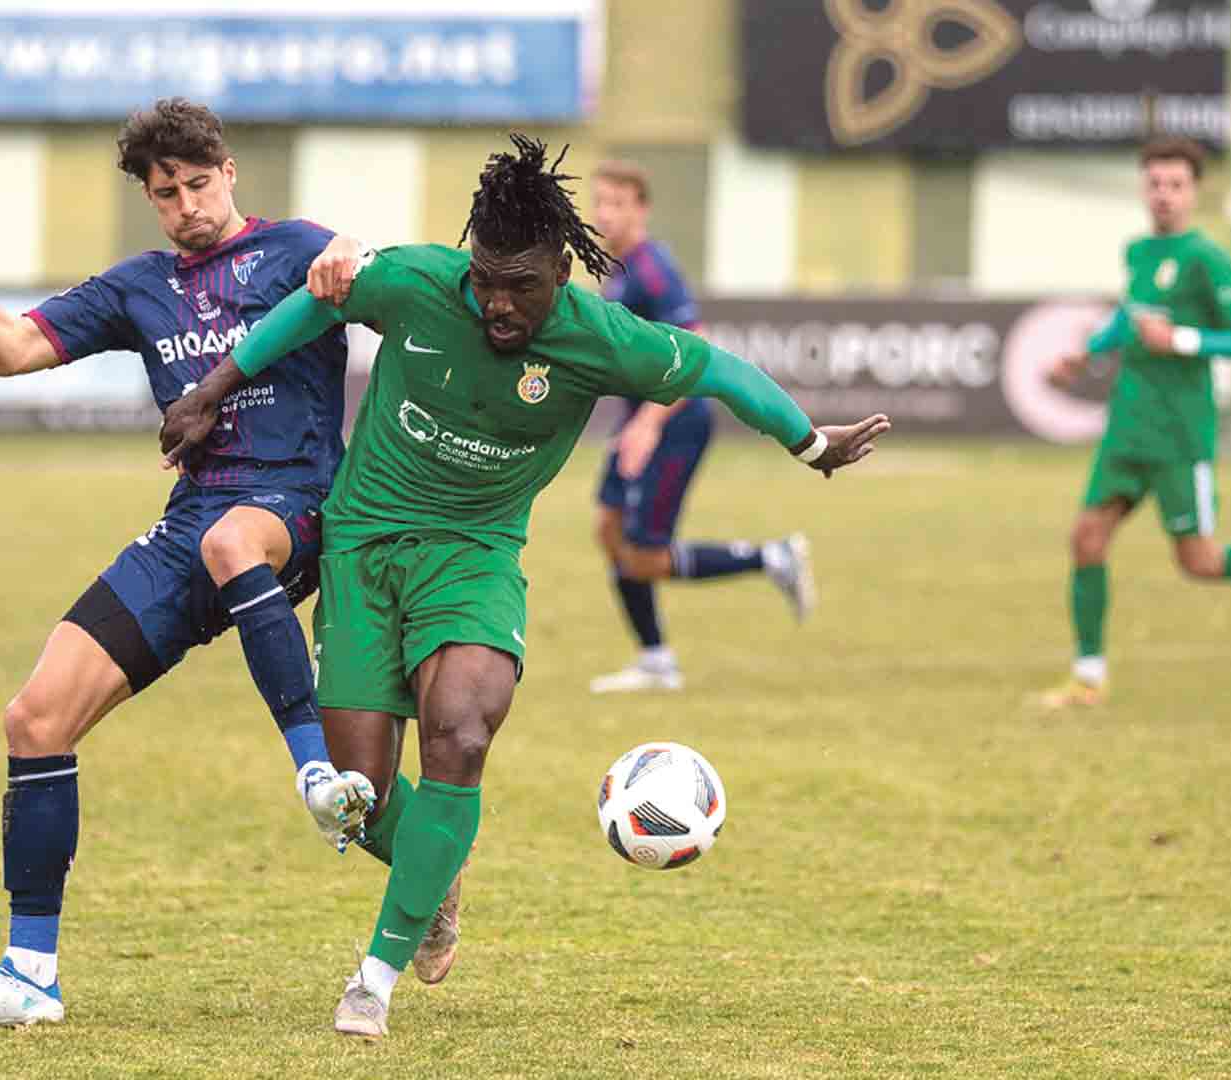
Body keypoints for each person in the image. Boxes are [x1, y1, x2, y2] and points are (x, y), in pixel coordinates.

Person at [158, 134, 891, 1040]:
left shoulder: (601, 338)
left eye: (525, 286)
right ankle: (436, 874)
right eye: (488, 281)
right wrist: (212, 389)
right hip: (363, 551)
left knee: (460, 733)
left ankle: (374, 979)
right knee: (356, 798)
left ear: (563, 270)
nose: (501, 305)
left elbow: (719, 372)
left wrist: (808, 442)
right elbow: (313, 307)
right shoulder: (417, 283)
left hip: (474, 557)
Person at [0, 97, 375, 1026]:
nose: (185, 204)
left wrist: (356, 260)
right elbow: (10, 351)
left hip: (294, 511)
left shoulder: (299, 248)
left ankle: (312, 773)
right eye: (165, 192)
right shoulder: (140, 286)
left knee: (230, 541)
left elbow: (397, 288)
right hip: (192, 525)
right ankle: (28, 975)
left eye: (197, 183)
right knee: (35, 718)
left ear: (230, 172)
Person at [1038, 136, 1231, 709]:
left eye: (1176, 185)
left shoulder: (1207, 260)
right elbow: (1130, 317)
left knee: (1199, 561)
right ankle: (1088, 677)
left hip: (1180, 436)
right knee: (1086, 539)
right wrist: (1086, 355)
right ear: (1144, 188)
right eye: (1155, 183)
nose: (1164, 194)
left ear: (1194, 192)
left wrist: (1183, 339)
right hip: (1127, 429)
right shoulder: (1137, 251)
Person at [585, 160, 816, 694]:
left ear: (640, 209)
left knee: (643, 554)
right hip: (637, 421)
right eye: (599, 202)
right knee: (608, 531)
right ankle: (654, 658)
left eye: (617, 203)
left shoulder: (653, 269)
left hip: (676, 422)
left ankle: (771, 557)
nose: (604, 214)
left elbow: (696, 343)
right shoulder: (618, 270)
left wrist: (648, 423)